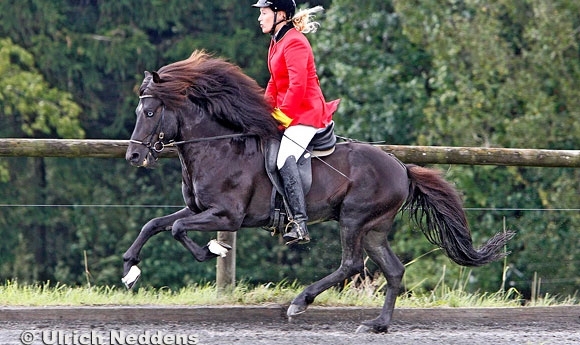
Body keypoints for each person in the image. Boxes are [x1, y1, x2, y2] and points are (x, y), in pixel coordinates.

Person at [252, 0, 340, 245]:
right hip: (289, 113)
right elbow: (274, 82)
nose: (260, 18)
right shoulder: (276, 42)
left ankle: (300, 223)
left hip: (306, 113)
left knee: (284, 159)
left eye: (263, 13)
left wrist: (280, 117)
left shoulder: (295, 42)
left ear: (279, 14)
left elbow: (298, 86)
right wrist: (262, 111)